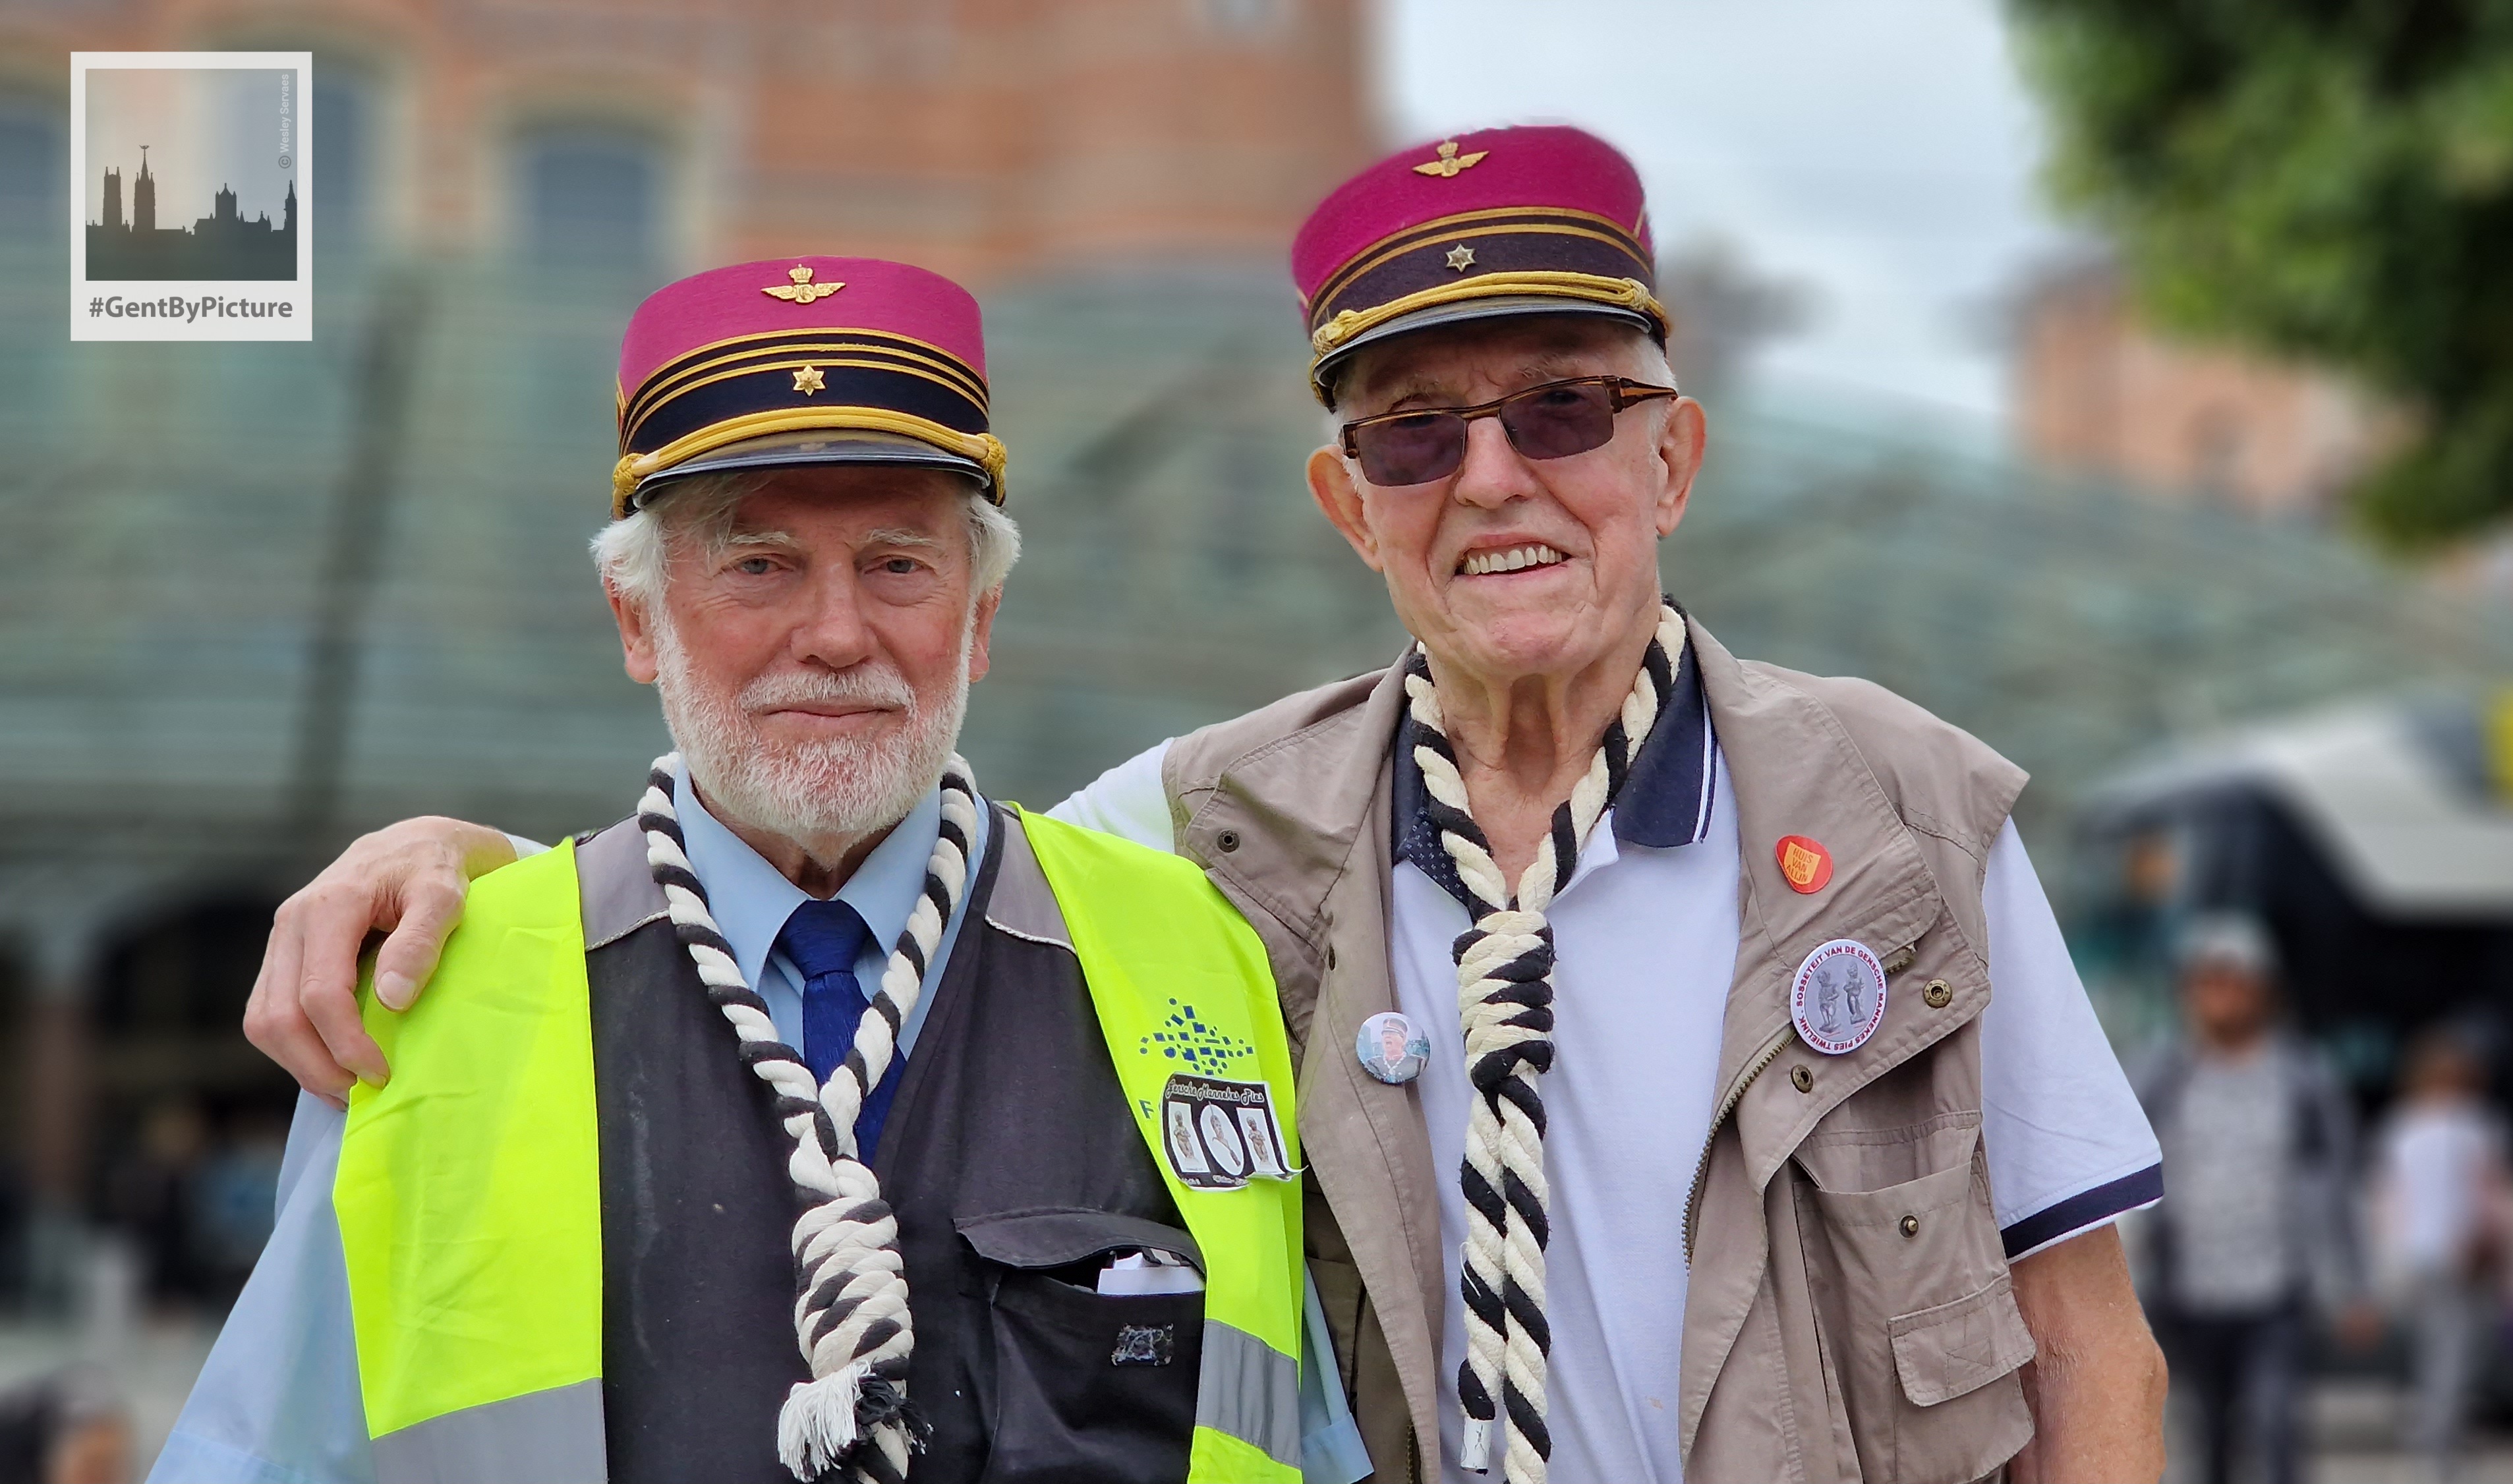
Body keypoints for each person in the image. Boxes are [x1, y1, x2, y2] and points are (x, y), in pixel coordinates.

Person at [244, 128, 2171, 1482]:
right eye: (1415, 429)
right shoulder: (1204, 835)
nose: (1493, 478)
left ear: (1673, 454)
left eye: (1564, 409)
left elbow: (2088, 1348)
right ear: (1349, 506)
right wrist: (463, 875)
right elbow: (833, 841)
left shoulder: (1907, 817)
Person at [150, 258, 1319, 1484]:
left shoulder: (1196, 952)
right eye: (756, 564)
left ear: (980, 615)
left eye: (898, 564)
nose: (833, 633)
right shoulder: (432, 995)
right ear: (636, 619)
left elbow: (1301, 1433)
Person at [2130, 915, 2369, 1484]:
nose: (2220, 996)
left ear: (2265, 990)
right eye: (2207, 982)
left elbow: (2338, 1183)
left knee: (2277, 1427)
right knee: (2204, 1439)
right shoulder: (2162, 1073)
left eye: (2235, 982)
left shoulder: (2304, 1078)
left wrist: (2354, 1284)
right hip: (2186, 1291)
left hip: (2277, 1289)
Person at [2371, 1027, 2513, 1484]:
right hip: (2461, 1253)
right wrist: (2504, 1252)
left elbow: (2389, 1199)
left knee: (2435, 1348)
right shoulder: (2479, 1125)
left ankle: (2435, 1429)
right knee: (2457, 1351)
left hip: (2417, 1255)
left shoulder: (2400, 1127)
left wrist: (2390, 1255)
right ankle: (2439, 1440)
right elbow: (2493, 1197)